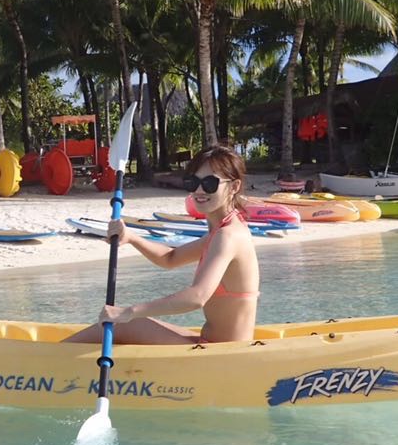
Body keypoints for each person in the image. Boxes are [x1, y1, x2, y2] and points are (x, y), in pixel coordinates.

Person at [67, 144, 260, 346]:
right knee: (129, 323)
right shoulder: (224, 230)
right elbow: (170, 258)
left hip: (223, 353)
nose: (199, 190)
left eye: (210, 183)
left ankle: (48, 361)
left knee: (125, 324)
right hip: (213, 344)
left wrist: (128, 312)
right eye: (193, 182)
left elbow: (197, 297)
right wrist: (131, 237)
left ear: (234, 186)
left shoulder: (227, 236)